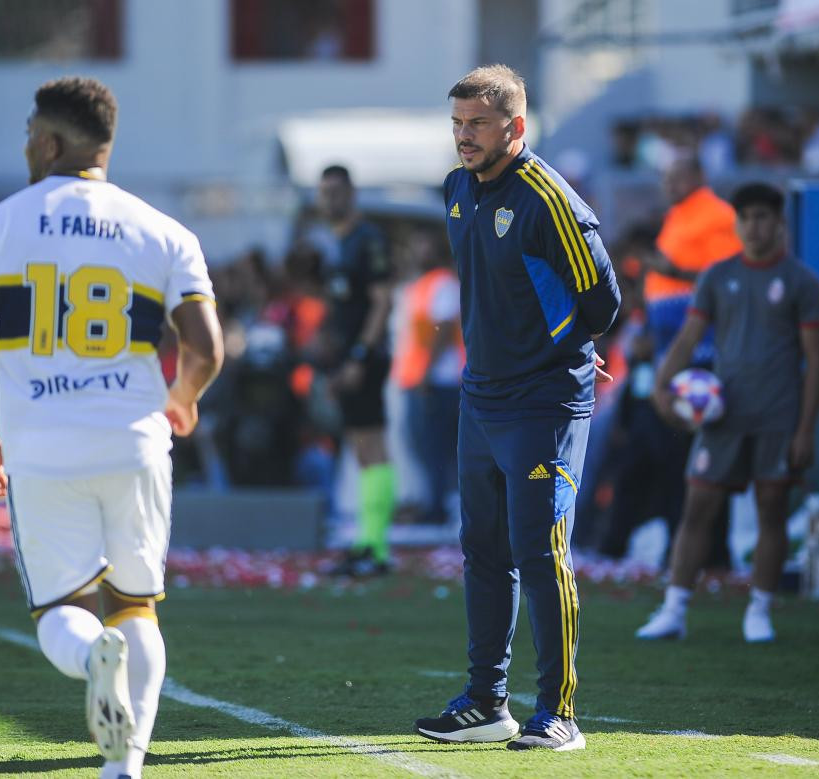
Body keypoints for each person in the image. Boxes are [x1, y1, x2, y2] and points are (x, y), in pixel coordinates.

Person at [0, 77, 223, 779]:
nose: (25, 145)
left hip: (40, 442)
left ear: (50, 142)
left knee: (61, 610)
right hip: (133, 439)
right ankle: (123, 765)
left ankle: (88, 655)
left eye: (31, 133)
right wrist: (183, 396)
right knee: (136, 605)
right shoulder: (165, 229)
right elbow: (208, 348)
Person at [414, 65, 620, 752]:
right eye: (457, 124)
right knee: (483, 550)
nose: (463, 136)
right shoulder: (456, 190)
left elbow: (602, 303)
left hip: (543, 401)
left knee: (541, 550)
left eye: (475, 124)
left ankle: (558, 711)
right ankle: (485, 701)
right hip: (482, 395)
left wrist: (562, 347)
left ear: (515, 127)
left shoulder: (548, 199)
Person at [635, 183, 819, 643]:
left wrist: (806, 429)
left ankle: (759, 611)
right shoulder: (717, 276)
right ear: (737, 224)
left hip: (777, 415)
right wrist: (662, 385)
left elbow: (818, 360)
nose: (755, 227)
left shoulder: (801, 281)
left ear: (780, 223)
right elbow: (687, 338)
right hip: (722, 413)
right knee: (698, 505)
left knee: (771, 509)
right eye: (747, 218)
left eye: (763, 218)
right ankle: (674, 609)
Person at [633, 155, 742, 569]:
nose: (670, 183)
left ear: (699, 175)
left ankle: (710, 553)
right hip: (670, 353)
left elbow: (725, 278)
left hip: (702, 357)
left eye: (678, 175)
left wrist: (674, 270)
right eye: (666, 175)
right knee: (670, 456)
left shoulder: (715, 215)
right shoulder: (679, 217)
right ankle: (682, 548)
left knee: (701, 456)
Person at [311, 165, 395, 576]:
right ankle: (367, 541)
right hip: (347, 360)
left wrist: (360, 356)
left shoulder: (367, 240)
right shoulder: (336, 244)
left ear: (351, 193)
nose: (330, 200)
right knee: (362, 449)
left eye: (337, 192)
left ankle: (375, 548)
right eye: (325, 193)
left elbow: (382, 301)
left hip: (366, 360)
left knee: (371, 444)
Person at [391, 234, 464, 525]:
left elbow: (443, 329)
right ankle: (434, 501)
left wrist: (426, 371)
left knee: (435, 445)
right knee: (422, 443)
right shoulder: (423, 285)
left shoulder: (443, 283)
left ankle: (438, 505)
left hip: (438, 379)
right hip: (420, 377)